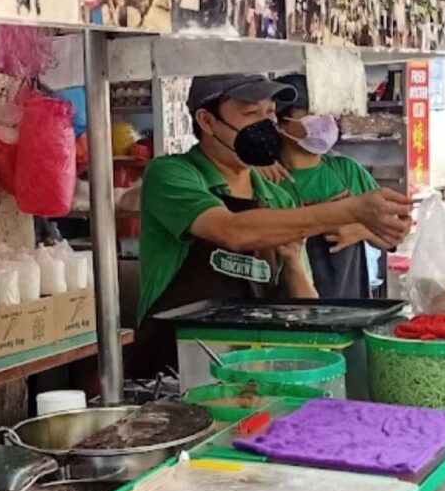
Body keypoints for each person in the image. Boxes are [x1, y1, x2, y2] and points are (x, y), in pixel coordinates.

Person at [134, 75, 414, 374]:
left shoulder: (277, 197)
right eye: (251, 114)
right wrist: (352, 211)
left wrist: (293, 262)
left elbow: (307, 307)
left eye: (269, 113)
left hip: (252, 373)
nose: (264, 125)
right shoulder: (172, 173)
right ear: (207, 120)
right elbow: (231, 231)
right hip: (170, 371)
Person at [274, 97, 389, 301]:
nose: (324, 121)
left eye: (325, 113)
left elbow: (390, 237)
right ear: (281, 123)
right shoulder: (270, 180)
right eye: (312, 114)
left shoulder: (346, 171)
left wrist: (361, 229)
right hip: (289, 308)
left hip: (351, 304)